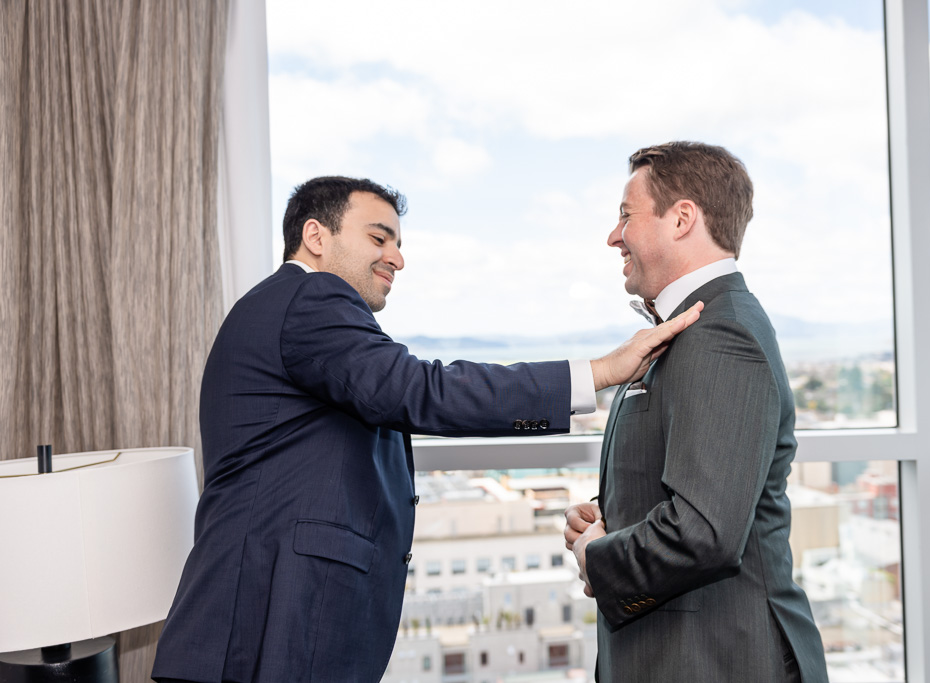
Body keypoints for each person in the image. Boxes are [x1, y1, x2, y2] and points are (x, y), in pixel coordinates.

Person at [151, 176, 701, 683]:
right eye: (378, 237)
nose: (397, 257)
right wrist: (600, 373)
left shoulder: (284, 308)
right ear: (315, 236)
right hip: (274, 620)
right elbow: (422, 391)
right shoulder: (310, 299)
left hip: (267, 620)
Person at [564, 142, 828, 682]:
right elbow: (702, 479)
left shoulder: (721, 333)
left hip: (718, 659)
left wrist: (600, 559)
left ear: (682, 218)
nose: (614, 236)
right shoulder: (693, 326)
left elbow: (703, 532)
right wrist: (611, 513)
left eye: (625, 216)